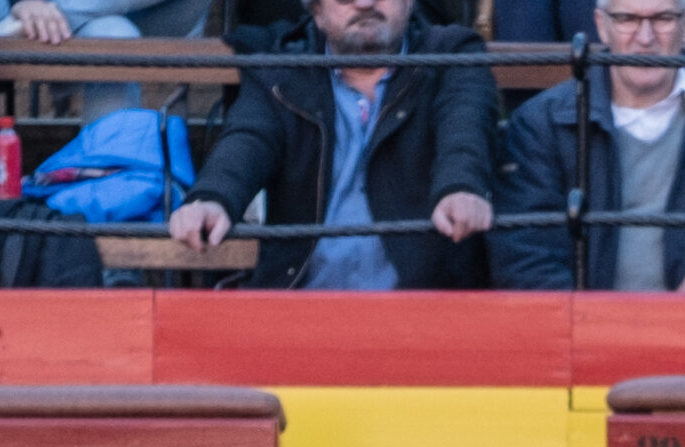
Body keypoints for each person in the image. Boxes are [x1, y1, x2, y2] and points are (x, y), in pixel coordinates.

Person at [166, 0, 499, 289]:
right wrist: (212, 197)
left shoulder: (454, 55)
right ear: (317, 13)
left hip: (426, 313)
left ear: (410, 3)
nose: (365, 4)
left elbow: (464, 128)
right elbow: (248, 139)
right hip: (304, 306)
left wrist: (462, 186)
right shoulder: (280, 70)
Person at [492, 0, 685, 291]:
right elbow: (524, 253)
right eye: (627, 19)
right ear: (602, 26)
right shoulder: (543, 122)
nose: (645, 38)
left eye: (663, 18)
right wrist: (587, 324)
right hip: (585, 330)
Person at [0, 0, 207, 119]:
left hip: (161, 14)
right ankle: (111, 186)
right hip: (90, 26)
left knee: (113, 42)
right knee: (114, 38)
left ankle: (54, 12)